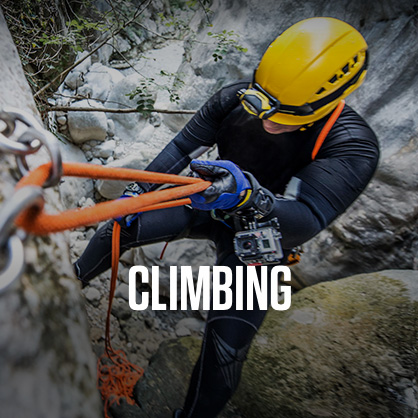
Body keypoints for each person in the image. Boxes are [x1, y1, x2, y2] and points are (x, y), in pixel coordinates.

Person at [75, 17, 379, 418]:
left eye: (283, 113)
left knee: (225, 352)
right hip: (209, 198)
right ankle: (68, 283)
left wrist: (250, 197)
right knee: (117, 227)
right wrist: (137, 192)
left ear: (328, 101)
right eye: (263, 101)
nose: (267, 119)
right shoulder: (236, 98)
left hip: (263, 238)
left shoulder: (351, 144)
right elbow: (184, 145)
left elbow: (307, 218)